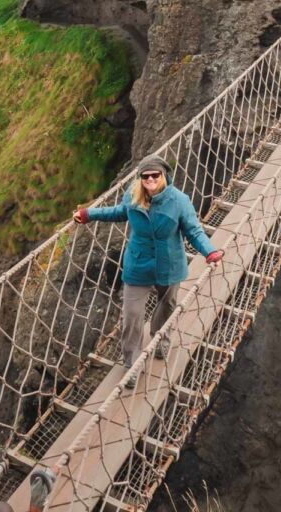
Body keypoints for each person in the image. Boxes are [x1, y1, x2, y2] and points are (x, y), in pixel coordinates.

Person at [73, 154, 224, 388]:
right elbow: (119, 212)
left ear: (164, 176)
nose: (151, 179)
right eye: (146, 176)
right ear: (141, 178)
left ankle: (161, 337)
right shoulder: (133, 196)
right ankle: (131, 363)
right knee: (132, 315)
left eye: (156, 175)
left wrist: (210, 252)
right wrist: (88, 214)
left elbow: (194, 231)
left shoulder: (179, 201)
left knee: (167, 305)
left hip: (169, 263)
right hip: (139, 263)